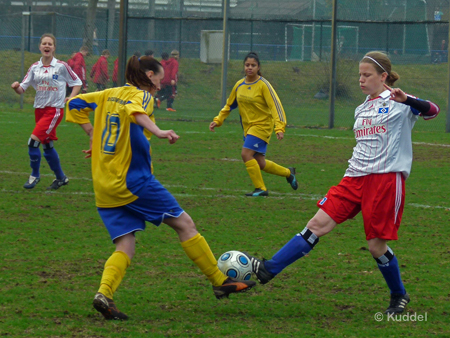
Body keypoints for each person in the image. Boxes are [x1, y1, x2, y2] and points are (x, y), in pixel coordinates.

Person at [245, 51, 440, 315]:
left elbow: (433, 111)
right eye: (359, 74)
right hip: (353, 178)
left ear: (383, 76)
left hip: (384, 180)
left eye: (367, 75)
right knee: (316, 225)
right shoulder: (362, 107)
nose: (361, 80)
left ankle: (399, 294)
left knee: (376, 247)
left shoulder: (400, 102)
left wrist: (409, 99)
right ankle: (269, 268)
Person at [66, 55, 255, 320]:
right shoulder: (141, 96)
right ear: (149, 75)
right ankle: (219, 280)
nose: (162, 80)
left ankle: (104, 294)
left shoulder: (109, 93)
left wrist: (93, 134)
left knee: (125, 245)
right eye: (159, 74)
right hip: (132, 181)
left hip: (103, 184)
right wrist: (158, 131)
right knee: (185, 224)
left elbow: (73, 103)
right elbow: (136, 112)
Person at [209, 52, 298, 197]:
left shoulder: (264, 85)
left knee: (245, 154)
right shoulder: (239, 85)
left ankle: (261, 189)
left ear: (258, 67)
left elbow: (276, 106)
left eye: (253, 65)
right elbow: (229, 105)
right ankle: (289, 173)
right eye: (247, 65)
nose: (249, 68)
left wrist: (279, 127)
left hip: (262, 126)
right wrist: (218, 120)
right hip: (248, 129)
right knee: (260, 163)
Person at [11, 33, 82, 190]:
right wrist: (16, 87)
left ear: (54, 48)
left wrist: (71, 97)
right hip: (40, 110)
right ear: (40, 47)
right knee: (47, 145)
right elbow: (22, 89)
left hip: (54, 111)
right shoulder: (35, 67)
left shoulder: (61, 66)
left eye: (50, 44)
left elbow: (77, 82)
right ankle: (61, 178)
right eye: (44, 43)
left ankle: (34, 175)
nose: (47, 46)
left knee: (33, 142)